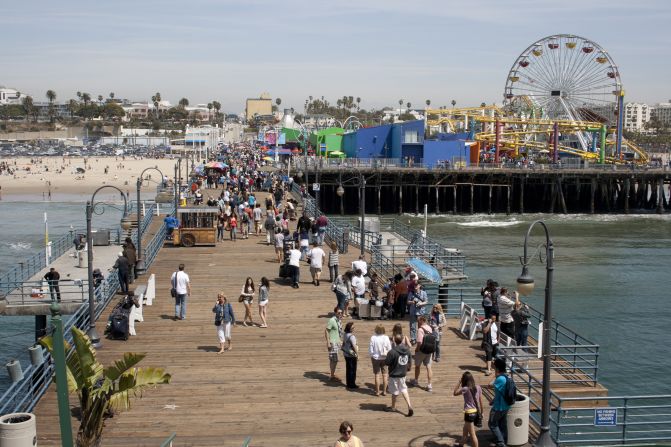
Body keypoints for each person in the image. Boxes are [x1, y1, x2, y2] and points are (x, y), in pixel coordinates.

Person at [384, 333, 414, 417]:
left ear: (394, 341)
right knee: (404, 389)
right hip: (403, 374)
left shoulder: (392, 352)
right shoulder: (407, 350)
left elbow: (387, 363)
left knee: (395, 391)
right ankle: (409, 406)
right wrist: (408, 368)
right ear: (402, 340)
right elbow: (409, 361)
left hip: (394, 374)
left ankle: (393, 407)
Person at [453, 371, 483, 447]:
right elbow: (480, 401)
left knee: (473, 435)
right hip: (475, 412)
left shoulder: (465, 389)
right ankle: (460, 445)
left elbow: (455, 393)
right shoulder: (478, 387)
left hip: (469, 413)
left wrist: (459, 382)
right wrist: (482, 412)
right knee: (465, 431)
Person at [489, 358, 511, 447]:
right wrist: (493, 400)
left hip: (499, 407)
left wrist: (495, 376)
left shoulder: (500, 379)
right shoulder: (506, 377)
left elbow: (489, 385)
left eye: (495, 367)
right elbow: (500, 392)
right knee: (502, 423)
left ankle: (501, 442)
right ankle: (504, 439)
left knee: (492, 424)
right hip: (505, 405)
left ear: (497, 369)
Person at [409, 315, 434, 392]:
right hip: (429, 350)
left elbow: (419, 342)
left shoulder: (420, 329)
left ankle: (416, 381)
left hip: (422, 350)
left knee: (417, 366)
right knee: (428, 367)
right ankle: (429, 385)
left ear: (421, 321)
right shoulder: (429, 327)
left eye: (418, 321)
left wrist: (416, 349)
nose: (417, 323)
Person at [369, 324, 392, 396]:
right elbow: (389, 349)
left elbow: (371, 349)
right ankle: (384, 391)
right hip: (384, 358)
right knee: (385, 375)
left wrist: (372, 355)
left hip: (375, 358)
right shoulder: (386, 337)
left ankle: (377, 391)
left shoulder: (373, 337)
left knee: (377, 375)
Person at [325, 307, 344, 382]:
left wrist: (341, 340)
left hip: (337, 341)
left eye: (341, 312)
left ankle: (332, 374)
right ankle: (332, 376)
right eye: (338, 313)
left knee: (334, 359)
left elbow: (339, 331)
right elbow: (326, 331)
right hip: (333, 342)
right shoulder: (332, 320)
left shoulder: (338, 320)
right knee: (333, 359)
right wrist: (328, 342)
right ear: (335, 312)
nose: (340, 314)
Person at [342, 322, 359, 389]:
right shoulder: (352, 337)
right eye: (353, 327)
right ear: (351, 329)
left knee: (348, 369)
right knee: (353, 370)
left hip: (346, 354)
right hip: (351, 355)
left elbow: (343, 343)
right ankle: (352, 384)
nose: (354, 328)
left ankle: (348, 383)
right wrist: (357, 355)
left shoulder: (345, 334)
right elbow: (354, 346)